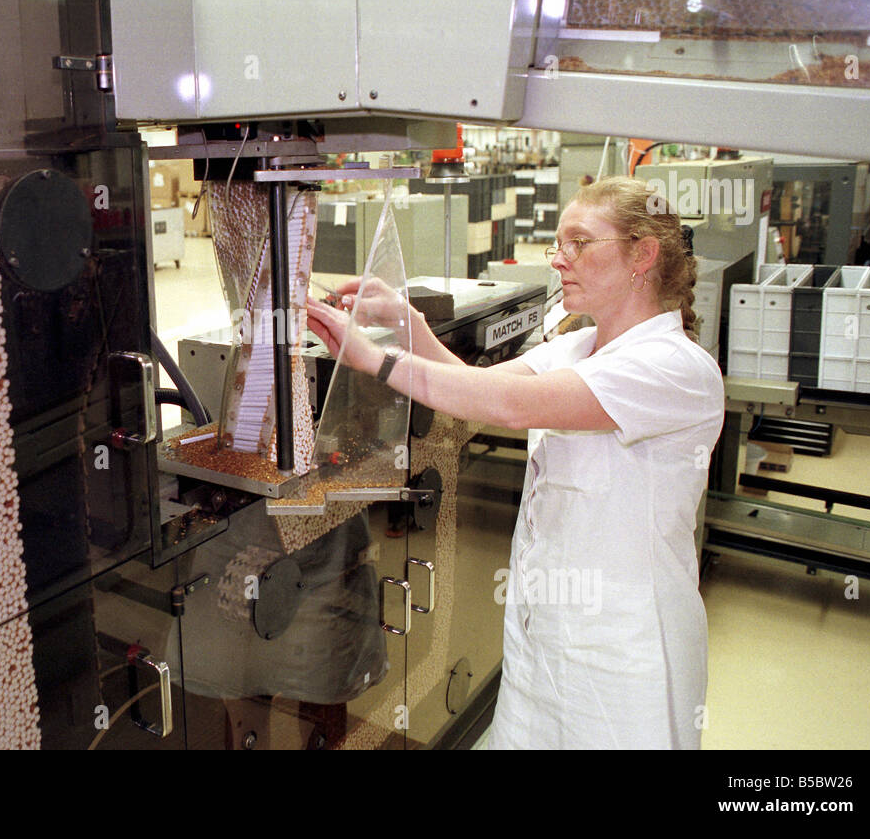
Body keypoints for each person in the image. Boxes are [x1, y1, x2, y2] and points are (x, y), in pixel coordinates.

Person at [305, 176, 724, 749]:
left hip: (625, 650)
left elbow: (508, 405)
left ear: (642, 254)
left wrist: (377, 362)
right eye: (558, 244)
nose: (558, 259)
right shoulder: (580, 346)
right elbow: (478, 387)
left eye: (578, 243)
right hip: (544, 632)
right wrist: (410, 325)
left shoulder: (675, 368)